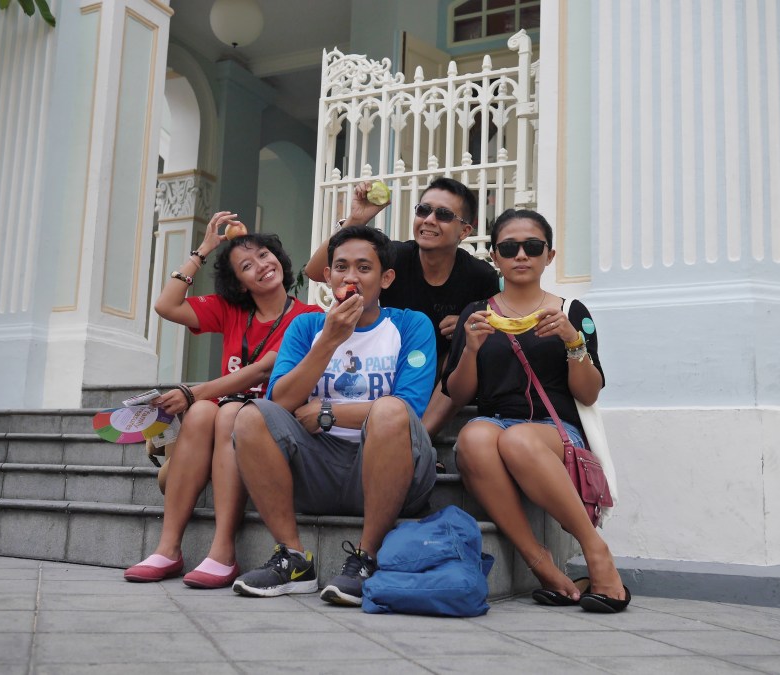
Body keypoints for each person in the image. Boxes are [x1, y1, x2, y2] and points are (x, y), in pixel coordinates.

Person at [231, 225, 437, 606]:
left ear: (386, 278)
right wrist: (328, 341)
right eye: (341, 267)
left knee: (391, 410)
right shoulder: (308, 326)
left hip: (391, 470)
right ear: (327, 276)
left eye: (364, 268)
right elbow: (280, 403)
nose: (351, 278)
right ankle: (293, 559)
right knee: (248, 416)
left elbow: (408, 409)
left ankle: (366, 558)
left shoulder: (411, 325)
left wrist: (326, 412)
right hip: (317, 467)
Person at [441, 208, 630, 613]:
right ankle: (538, 561)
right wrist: (471, 349)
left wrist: (573, 342)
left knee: (519, 438)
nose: (521, 255)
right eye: (509, 247)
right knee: (473, 437)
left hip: (555, 428)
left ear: (550, 255)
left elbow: (590, 393)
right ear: (495, 256)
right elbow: (457, 392)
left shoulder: (572, 311)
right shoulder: (477, 313)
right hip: (494, 420)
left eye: (532, 246)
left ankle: (595, 551)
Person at [123, 212, 322, 588]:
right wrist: (203, 249)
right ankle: (168, 549)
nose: (262, 266)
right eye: (248, 265)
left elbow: (266, 369)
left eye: (265, 255)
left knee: (224, 409)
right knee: (200, 414)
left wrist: (192, 391)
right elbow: (166, 306)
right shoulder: (231, 311)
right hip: (222, 416)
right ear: (241, 284)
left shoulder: (309, 317)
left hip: (273, 418)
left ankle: (223, 552)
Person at [304, 177, 500, 439]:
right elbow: (316, 272)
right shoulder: (396, 256)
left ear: (465, 231)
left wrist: (466, 322)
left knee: (459, 355)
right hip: (390, 362)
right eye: (423, 210)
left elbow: (495, 330)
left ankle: (418, 439)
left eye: (442, 214)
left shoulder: (480, 276)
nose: (429, 219)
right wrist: (356, 218)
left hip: (442, 371)